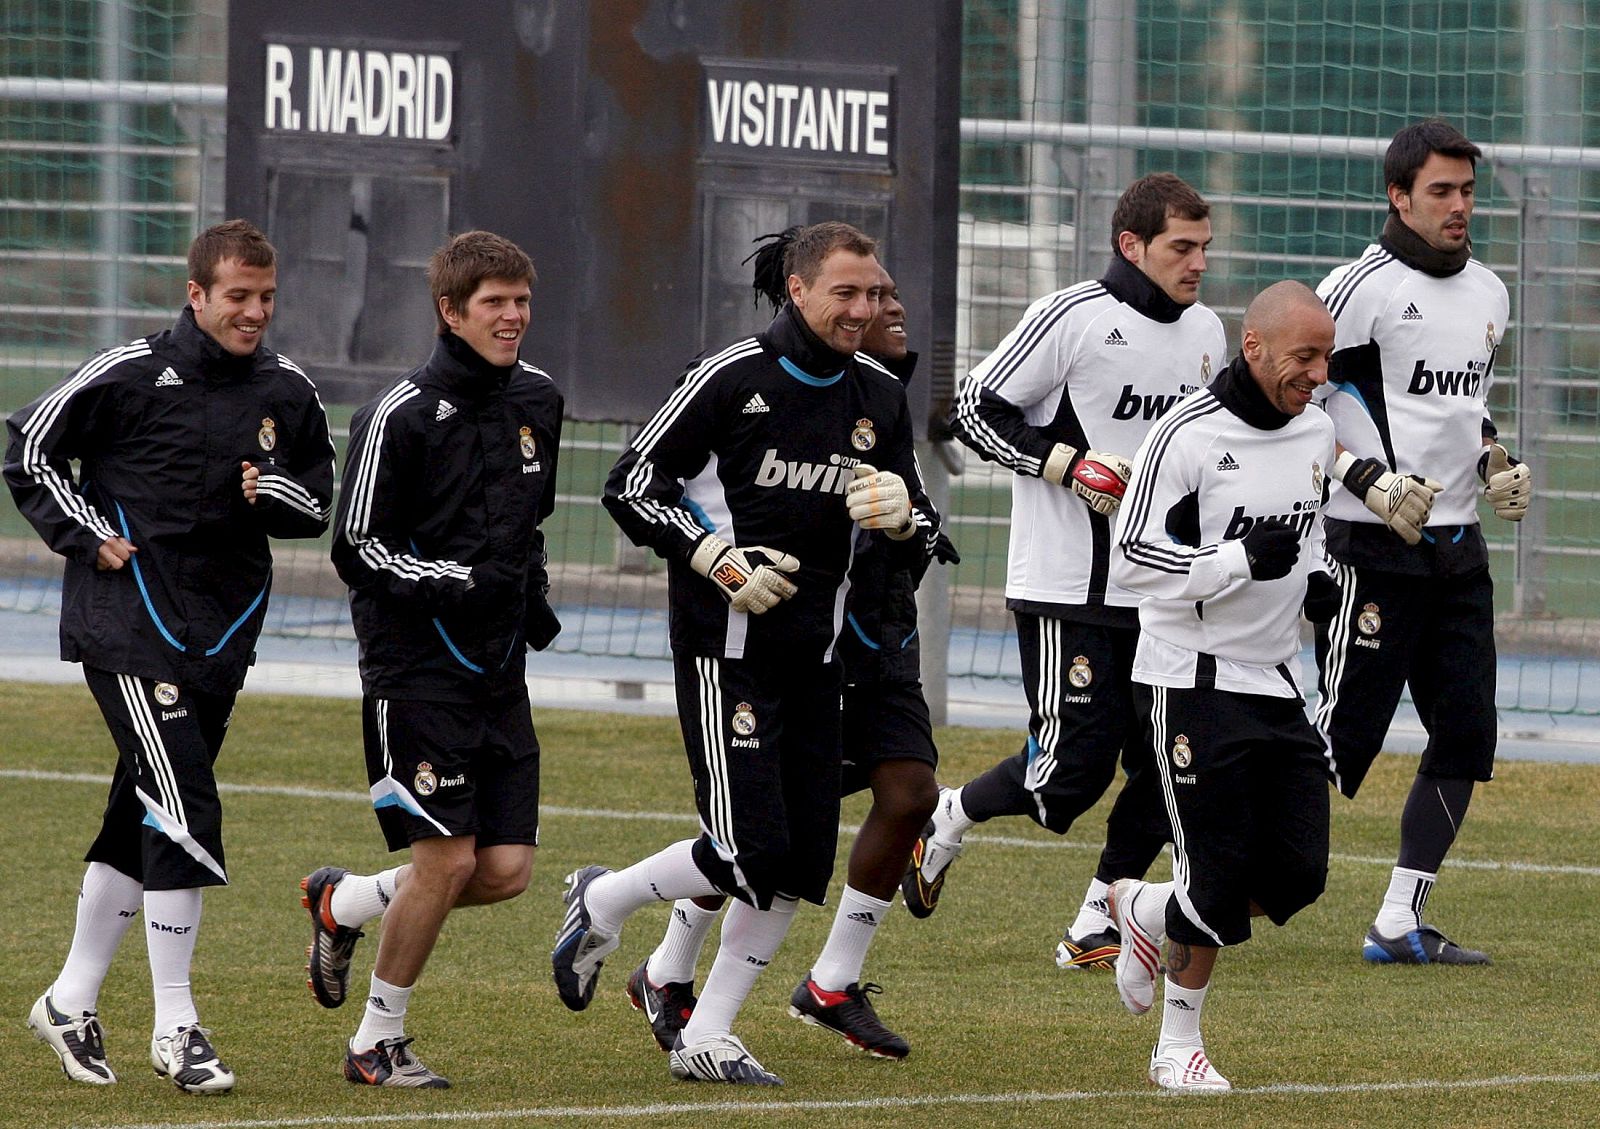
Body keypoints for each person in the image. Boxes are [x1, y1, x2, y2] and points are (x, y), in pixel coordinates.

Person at [560, 221, 938, 1087]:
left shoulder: (880, 395)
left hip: (825, 658)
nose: (863, 308)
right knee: (745, 847)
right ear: (798, 290)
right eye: (844, 292)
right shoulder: (730, 379)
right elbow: (629, 485)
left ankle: (711, 1032)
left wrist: (905, 516)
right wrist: (714, 558)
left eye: (873, 293)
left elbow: (921, 527)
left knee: (798, 859)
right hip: (724, 653)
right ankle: (606, 897)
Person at [6, 220, 335, 1093]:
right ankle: (176, 1023)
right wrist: (86, 534)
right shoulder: (127, 373)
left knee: (142, 810)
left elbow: (316, 501)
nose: (254, 312)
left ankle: (69, 998)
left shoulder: (288, 390)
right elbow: (28, 447)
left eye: (266, 297)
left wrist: (276, 492)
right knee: (184, 802)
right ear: (196, 294)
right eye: (237, 296)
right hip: (126, 627)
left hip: (222, 634)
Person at [903, 173, 1226, 971]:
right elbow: (974, 409)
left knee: (1170, 757)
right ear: (1132, 245)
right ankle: (945, 818)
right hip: (1067, 589)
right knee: (1066, 780)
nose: (1198, 264)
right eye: (1181, 247)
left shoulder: (1211, 333)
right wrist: (1068, 464)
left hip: (1167, 591)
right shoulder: (1073, 317)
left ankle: (1099, 912)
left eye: (1205, 248)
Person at [303, 230, 564, 1089]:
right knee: (447, 861)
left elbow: (527, 527)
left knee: (506, 871)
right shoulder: (400, 413)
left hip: (499, 673)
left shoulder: (540, 399)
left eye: (521, 300)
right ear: (451, 311)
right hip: (415, 671)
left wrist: (531, 594)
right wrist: (465, 581)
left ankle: (340, 903)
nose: (513, 316)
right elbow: (358, 546)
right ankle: (376, 1041)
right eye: (494, 303)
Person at [1106, 280, 1338, 1091]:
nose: (1315, 376)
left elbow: (1303, 538)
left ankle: (1137, 909)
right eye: (1303, 358)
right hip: (1188, 679)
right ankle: (1177, 1047)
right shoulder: (1186, 435)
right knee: (1216, 871)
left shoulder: (1318, 429)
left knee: (1300, 876)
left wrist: (1317, 578)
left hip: (1278, 680)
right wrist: (1238, 560)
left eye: (1326, 360)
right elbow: (1131, 559)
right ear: (1256, 347)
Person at [1312, 119, 1521, 966]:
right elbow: (1293, 405)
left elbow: (1459, 409)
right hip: (1370, 551)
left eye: (1467, 191)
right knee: (1334, 742)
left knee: (1467, 735)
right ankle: (1189, 877)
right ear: (1398, 196)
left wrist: (1495, 456)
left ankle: (1399, 919)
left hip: (1458, 551)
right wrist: (1365, 480)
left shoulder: (1491, 294)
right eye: (1442, 191)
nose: (1459, 206)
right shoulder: (1354, 289)